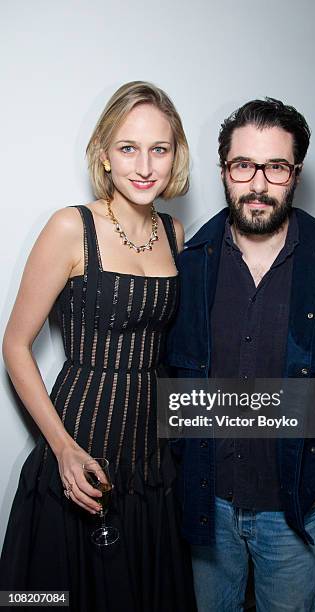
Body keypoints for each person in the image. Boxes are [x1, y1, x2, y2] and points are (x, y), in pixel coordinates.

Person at [165, 98, 315, 611]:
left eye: (275, 167)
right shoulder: (191, 263)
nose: (257, 184)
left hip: (294, 510)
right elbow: (169, 374)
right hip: (209, 504)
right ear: (224, 169)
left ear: (294, 173)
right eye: (243, 165)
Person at [0, 81, 196, 612]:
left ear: (175, 153)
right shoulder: (71, 227)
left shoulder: (176, 233)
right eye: (128, 148)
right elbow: (15, 345)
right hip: (81, 438)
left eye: (160, 148)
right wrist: (62, 450)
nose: (145, 165)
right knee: (59, 596)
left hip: (152, 451)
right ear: (104, 154)